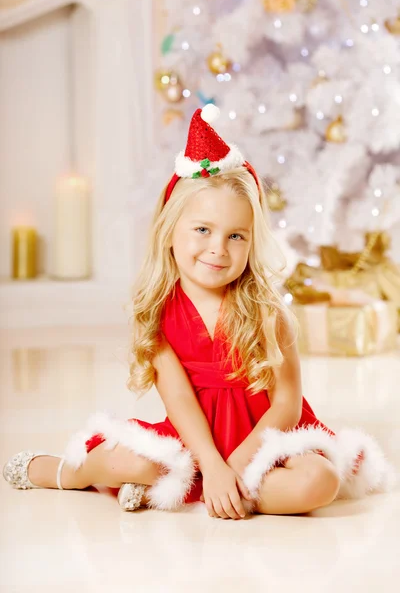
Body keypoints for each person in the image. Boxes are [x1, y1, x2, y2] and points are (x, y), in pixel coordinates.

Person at [3, 105, 394, 520]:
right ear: (170, 230)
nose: (218, 249)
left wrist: (240, 462)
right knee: (133, 461)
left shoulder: (266, 310)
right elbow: (179, 401)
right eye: (203, 230)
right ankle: (66, 471)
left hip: (265, 439)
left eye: (236, 236)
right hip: (196, 437)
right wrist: (210, 462)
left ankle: (204, 490)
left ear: (252, 241)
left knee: (319, 481)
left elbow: (287, 403)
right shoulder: (157, 312)